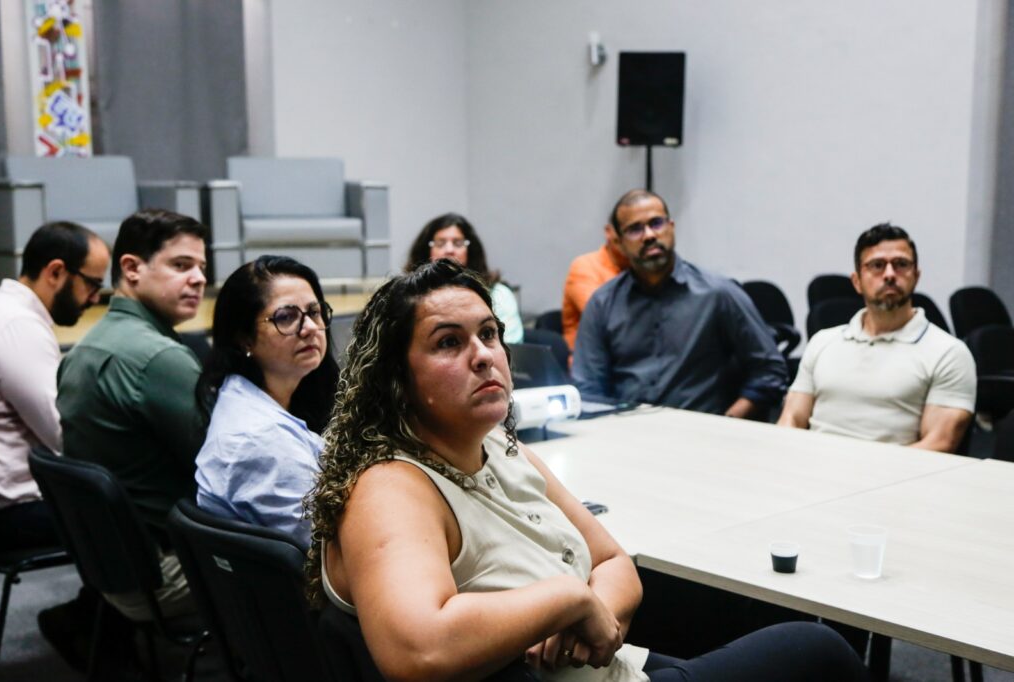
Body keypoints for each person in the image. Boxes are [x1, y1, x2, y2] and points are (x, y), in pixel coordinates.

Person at [304, 259, 868, 681]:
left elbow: (615, 561)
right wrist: (568, 601)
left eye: (489, 334)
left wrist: (598, 619)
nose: (483, 354)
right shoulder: (389, 487)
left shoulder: (502, 448)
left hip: (611, 664)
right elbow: (416, 650)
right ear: (397, 382)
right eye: (449, 342)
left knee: (758, 618)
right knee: (822, 651)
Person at [57, 208, 208, 621]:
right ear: (131, 268)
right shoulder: (158, 357)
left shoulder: (85, 347)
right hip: (162, 573)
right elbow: (226, 470)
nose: (198, 278)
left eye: (201, 267)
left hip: (112, 569)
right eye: (181, 265)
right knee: (322, 562)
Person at [572, 190, 787, 417]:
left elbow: (770, 370)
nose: (648, 235)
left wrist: (730, 420)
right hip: (626, 433)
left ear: (671, 227)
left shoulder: (718, 293)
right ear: (618, 242)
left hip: (702, 434)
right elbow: (589, 387)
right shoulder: (603, 303)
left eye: (656, 223)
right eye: (635, 229)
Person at [778, 223, 976, 451]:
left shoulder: (949, 353)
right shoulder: (823, 342)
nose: (890, 274)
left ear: (916, 276)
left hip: (891, 480)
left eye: (901, 264)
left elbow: (939, 444)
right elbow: (791, 420)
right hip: (812, 472)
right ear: (857, 281)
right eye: (877, 265)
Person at [195, 256, 338, 547]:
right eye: (286, 317)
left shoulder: (245, 392)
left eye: (314, 312)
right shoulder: (259, 441)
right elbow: (334, 548)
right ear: (244, 338)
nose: (310, 327)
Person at [0, 221, 108, 551]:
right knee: (145, 508)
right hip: (14, 511)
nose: (96, 298)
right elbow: (64, 431)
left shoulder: (2, 310)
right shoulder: (16, 325)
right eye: (92, 284)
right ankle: (111, 603)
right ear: (55, 272)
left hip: (9, 503)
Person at [405, 212, 524, 344]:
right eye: (440, 243)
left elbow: (510, 349)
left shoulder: (498, 294)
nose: (449, 250)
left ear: (470, 250)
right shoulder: (409, 294)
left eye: (458, 243)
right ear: (426, 250)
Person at [562, 222, 629, 354]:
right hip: (590, 360)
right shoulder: (585, 266)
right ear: (608, 231)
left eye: (634, 230)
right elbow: (604, 320)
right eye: (623, 229)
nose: (627, 236)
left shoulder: (639, 269)